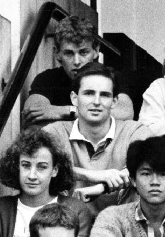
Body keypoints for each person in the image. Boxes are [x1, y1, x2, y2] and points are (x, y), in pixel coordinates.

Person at [41, 63, 148, 213]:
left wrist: (101, 187)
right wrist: (93, 175)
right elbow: (39, 167)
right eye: (89, 93)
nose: (96, 102)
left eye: (104, 95)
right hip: (66, 225)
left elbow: (147, 166)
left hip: (123, 224)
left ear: (114, 101)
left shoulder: (134, 130)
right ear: (74, 98)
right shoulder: (54, 132)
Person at [23, 15, 135, 129]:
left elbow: (125, 113)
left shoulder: (112, 78)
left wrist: (64, 111)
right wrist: (96, 118)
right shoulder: (47, 79)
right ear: (57, 53)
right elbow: (32, 114)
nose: (76, 61)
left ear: (96, 51)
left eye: (83, 52)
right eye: (69, 53)